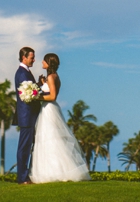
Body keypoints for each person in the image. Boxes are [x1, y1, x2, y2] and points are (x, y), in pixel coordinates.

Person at [28, 53, 91, 184]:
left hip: (49, 108)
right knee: (49, 137)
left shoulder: (51, 77)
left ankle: (56, 171)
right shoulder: (53, 77)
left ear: (48, 63)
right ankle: (53, 170)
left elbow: (52, 96)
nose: (41, 62)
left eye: (44, 61)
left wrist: (36, 97)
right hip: (48, 108)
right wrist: (42, 84)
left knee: (51, 137)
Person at [14, 46, 41, 184]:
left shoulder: (25, 72)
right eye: (32, 57)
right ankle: (22, 177)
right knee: (24, 147)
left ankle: (25, 175)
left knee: (26, 146)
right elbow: (28, 94)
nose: (34, 60)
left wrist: (38, 84)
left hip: (29, 115)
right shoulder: (22, 73)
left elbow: (32, 89)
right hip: (26, 116)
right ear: (24, 57)